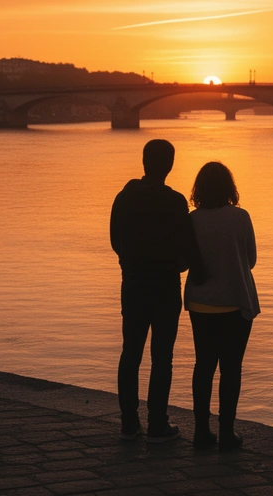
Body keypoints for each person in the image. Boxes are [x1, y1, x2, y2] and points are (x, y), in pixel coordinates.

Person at [110, 139, 205, 442]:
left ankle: (128, 422)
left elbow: (115, 241)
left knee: (131, 353)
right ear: (170, 165)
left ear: (144, 162)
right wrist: (178, 265)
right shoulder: (175, 201)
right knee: (162, 356)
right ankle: (157, 423)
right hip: (164, 286)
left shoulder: (123, 198)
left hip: (133, 284)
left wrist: (130, 262)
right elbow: (188, 249)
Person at [184, 161, 259, 452]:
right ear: (230, 187)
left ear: (198, 189)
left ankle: (201, 431)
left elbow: (185, 260)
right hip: (235, 301)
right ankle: (227, 431)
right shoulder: (241, 218)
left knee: (204, 366)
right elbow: (250, 260)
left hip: (201, 304)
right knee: (231, 368)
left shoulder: (192, 220)